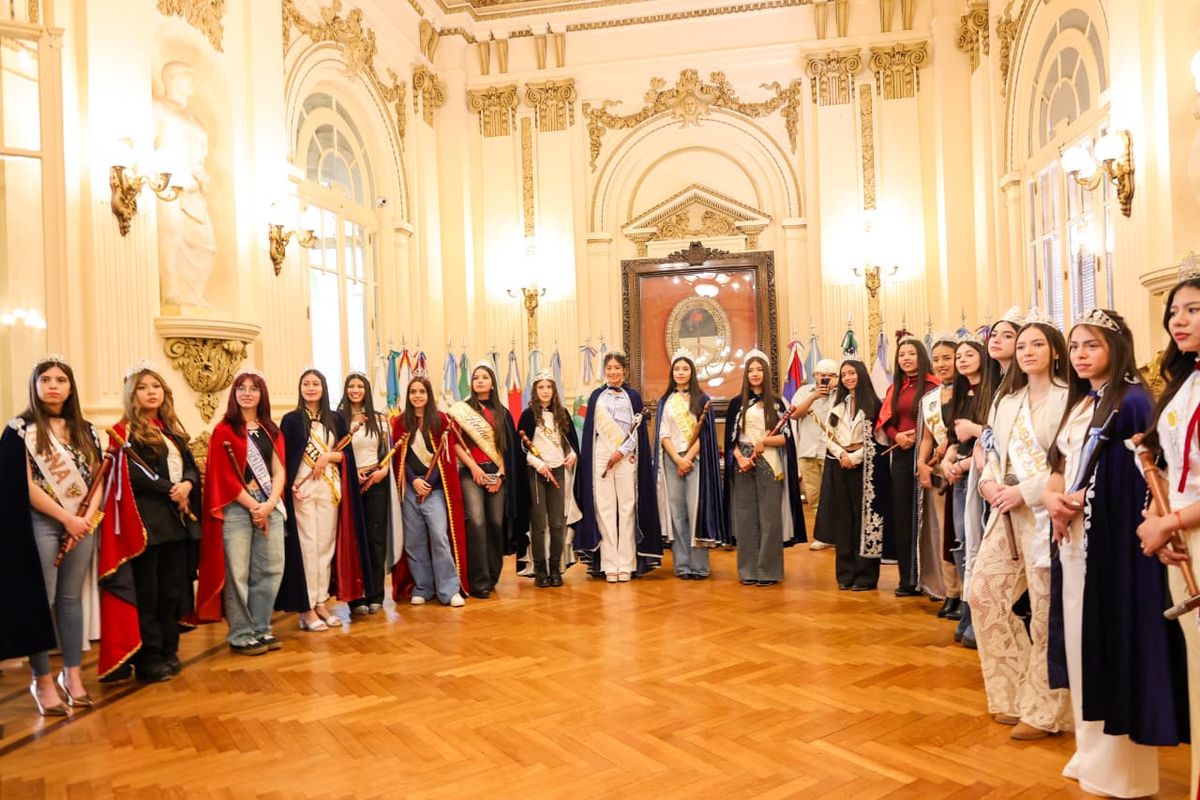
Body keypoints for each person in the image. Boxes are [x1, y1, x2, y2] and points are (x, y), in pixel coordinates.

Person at [1043, 309, 1188, 797]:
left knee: (1109, 642)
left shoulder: (1131, 402)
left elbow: (1136, 480)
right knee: (1083, 647)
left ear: (1115, 348)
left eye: (1092, 346)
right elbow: (1061, 461)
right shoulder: (1085, 400)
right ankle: (1089, 750)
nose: (1081, 356)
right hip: (1075, 544)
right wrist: (1054, 495)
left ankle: (1120, 769)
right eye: (1076, 347)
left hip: (1110, 546)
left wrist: (1080, 501)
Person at [0, 356, 135, 714]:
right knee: (40, 601)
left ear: (71, 387)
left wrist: (86, 519)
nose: (53, 386)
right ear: (36, 385)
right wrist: (66, 518)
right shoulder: (19, 430)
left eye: (60, 379)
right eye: (46, 379)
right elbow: (22, 485)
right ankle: (41, 680)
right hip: (42, 523)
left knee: (70, 599)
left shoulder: (87, 430)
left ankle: (72, 676)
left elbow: (97, 477)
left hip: (82, 523)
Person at [967, 319, 1072, 740]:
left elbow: (1067, 463)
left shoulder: (1070, 400)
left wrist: (1023, 492)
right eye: (1022, 345)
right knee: (984, 594)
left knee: (1046, 613)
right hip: (1004, 512)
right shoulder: (1005, 400)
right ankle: (1012, 695)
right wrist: (988, 482)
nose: (1027, 352)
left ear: (1055, 351)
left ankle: (1045, 710)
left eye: (1036, 344)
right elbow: (993, 453)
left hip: (1046, 514)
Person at [1137, 269, 1200, 799]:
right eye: (1175, 311)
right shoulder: (1186, 379)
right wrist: (1155, 513)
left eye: (1194, 309)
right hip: (1182, 538)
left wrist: (1170, 522)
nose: (1179, 320)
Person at [117, 364, 202, 681]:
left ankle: (169, 648)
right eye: (143, 387)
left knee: (172, 591)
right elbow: (132, 476)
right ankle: (149, 657)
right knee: (148, 593)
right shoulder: (124, 432)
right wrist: (170, 488)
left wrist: (188, 485)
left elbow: (191, 466)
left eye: (156, 386)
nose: (151, 391)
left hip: (177, 522)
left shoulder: (172, 430)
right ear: (132, 393)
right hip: (147, 525)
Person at [196, 371, 286, 656]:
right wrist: (254, 506)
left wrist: (270, 503)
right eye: (242, 388)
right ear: (234, 394)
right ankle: (241, 633)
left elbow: (280, 469)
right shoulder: (224, 430)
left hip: (268, 504)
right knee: (238, 573)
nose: (248, 393)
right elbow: (224, 479)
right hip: (237, 508)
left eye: (254, 389)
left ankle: (262, 627)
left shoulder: (271, 429)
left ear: (262, 395)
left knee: (271, 568)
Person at [279, 369, 372, 631]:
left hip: (330, 491)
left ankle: (321, 602)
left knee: (325, 548)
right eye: (306, 383)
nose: (311, 388)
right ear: (300, 388)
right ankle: (306, 608)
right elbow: (285, 458)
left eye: (316, 383)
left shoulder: (336, 419)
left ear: (324, 387)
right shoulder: (291, 420)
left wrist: (327, 457)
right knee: (309, 548)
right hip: (303, 490)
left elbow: (346, 457)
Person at [576, 351, 662, 581]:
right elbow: (591, 432)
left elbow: (637, 431)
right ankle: (608, 563)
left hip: (626, 457)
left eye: (617, 368)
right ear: (605, 371)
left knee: (626, 508)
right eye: (609, 368)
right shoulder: (596, 397)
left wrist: (621, 452)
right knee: (604, 510)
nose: (613, 372)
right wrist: (605, 455)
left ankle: (626, 562)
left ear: (624, 370)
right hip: (600, 456)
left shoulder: (632, 397)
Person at [723, 350, 806, 585]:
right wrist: (739, 457)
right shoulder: (736, 404)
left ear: (766, 373)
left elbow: (786, 438)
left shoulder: (777, 404)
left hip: (770, 462)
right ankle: (748, 570)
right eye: (751, 370)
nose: (755, 374)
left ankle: (768, 571)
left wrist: (765, 442)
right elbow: (730, 439)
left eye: (759, 369)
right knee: (746, 517)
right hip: (744, 464)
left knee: (769, 519)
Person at [449, 363, 529, 597]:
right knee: (476, 522)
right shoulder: (462, 410)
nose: (480, 381)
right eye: (476, 378)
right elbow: (454, 443)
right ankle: (478, 581)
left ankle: (493, 575)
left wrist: (501, 474)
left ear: (492, 382)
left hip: (496, 473)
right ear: (472, 384)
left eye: (485, 377)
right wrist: (473, 468)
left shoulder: (502, 412)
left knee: (495, 523)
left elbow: (507, 447)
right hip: (470, 472)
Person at [390, 376, 467, 607]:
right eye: (413, 392)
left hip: (434, 491)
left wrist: (428, 483)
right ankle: (423, 587)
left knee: (439, 538)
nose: (417, 396)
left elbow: (445, 459)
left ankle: (448, 589)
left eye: (421, 391)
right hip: (411, 491)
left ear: (428, 394)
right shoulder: (401, 422)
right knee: (414, 542)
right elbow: (400, 460)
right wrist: (414, 482)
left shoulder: (441, 420)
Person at [814, 359, 890, 591]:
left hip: (867, 470)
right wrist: (841, 455)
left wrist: (854, 457)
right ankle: (845, 574)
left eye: (851, 373)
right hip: (840, 466)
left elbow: (880, 440)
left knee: (865, 521)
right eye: (844, 374)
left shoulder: (875, 405)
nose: (847, 378)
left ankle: (865, 576)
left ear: (861, 375)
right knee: (843, 520)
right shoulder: (838, 406)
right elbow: (827, 435)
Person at [654, 353, 728, 580]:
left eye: (685, 368)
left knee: (696, 511)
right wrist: (678, 459)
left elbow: (705, 436)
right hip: (672, 459)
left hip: (696, 460)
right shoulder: (665, 402)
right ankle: (683, 565)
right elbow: (662, 434)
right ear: (672, 373)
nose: (681, 372)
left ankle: (700, 566)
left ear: (691, 372)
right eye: (677, 369)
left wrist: (687, 459)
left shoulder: (702, 400)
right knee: (677, 513)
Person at [877, 337, 938, 596]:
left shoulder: (935, 386)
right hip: (901, 456)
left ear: (921, 356)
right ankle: (907, 578)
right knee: (903, 515)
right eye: (902, 354)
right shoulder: (895, 388)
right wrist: (897, 436)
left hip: (931, 455)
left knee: (928, 515)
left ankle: (933, 579)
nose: (906, 358)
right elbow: (885, 422)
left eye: (911, 353)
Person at [339, 372, 400, 614]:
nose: (355, 390)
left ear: (366, 390)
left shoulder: (380, 418)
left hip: (377, 482)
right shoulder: (338, 419)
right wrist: (351, 474)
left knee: (376, 539)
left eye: (359, 386)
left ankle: (376, 594)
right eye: (351, 386)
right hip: (351, 483)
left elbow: (386, 450)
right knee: (355, 539)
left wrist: (382, 471)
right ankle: (357, 597)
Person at [517, 371, 582, 587]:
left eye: (549, 387)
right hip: (537, 473)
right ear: (535, 391)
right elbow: (521, 448)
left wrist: (572, 455)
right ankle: (540, 570)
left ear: (554, 390)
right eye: (541, 387)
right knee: (538, 523)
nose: (545, 391)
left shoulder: (562, 413)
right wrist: (539, 464)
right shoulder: (528, 415)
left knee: (556, 522)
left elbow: (571, 443)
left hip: (558, 472)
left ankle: (555, 568)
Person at [915, 336, 957, 608]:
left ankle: (966, 594)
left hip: (962, 470)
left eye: (947, 358)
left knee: (961, 535)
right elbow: (928, 437)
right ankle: (950, 592)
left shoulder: (970, 393)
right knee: (944, 533)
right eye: (937, 359)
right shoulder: (929, 399)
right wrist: (921, 463)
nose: (941, 364)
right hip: (938, 474)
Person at [790, 358, 839, 549]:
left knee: (834, 496)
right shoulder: (803, 392)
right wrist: (813, 397)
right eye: (821, 375)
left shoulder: (843, 393)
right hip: (808, 450)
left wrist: (837, 388)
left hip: (832, 451)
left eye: (830, 375)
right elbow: (794, 414)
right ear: (815, 375)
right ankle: (822, 536)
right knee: (814, 496)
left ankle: (836, 535)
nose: (825, 378)